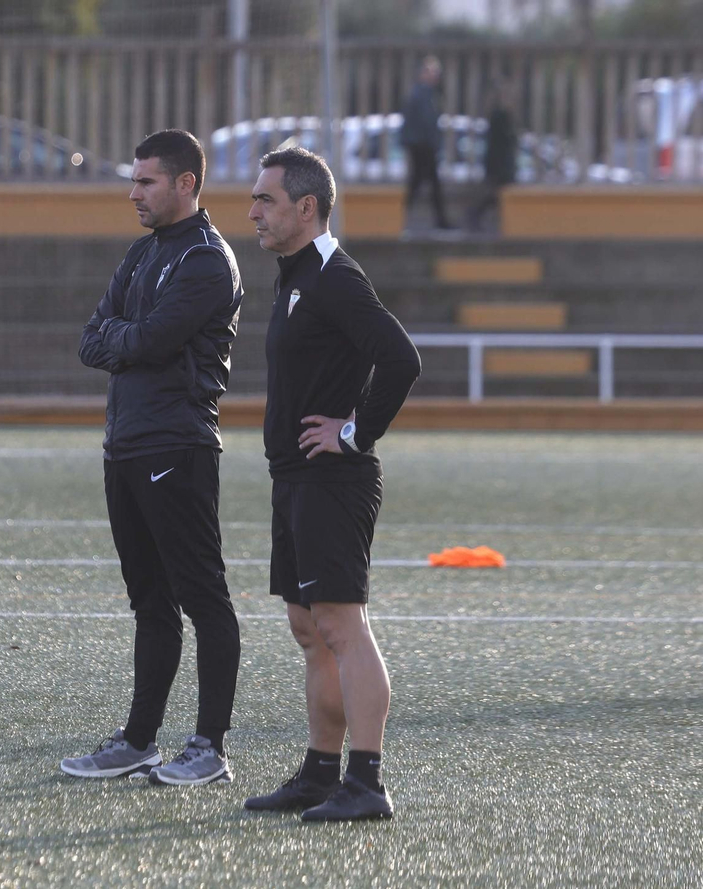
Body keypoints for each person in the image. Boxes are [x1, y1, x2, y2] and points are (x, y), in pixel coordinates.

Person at [243, 147, 421, 821]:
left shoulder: (333, 277)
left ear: (306, 207)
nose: (253, 210)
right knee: (308, 627)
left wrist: (352, 433)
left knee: (343, 626)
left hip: (332, 480)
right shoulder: (293, 279)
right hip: (293, 479)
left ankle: (366, 781)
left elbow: (401, 358)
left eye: (266, 199)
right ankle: (320, 773)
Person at [63, 129, 244, 787]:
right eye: (133, 180)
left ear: (185, 183)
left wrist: (127, 339)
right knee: (149, 600)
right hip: (126, 446)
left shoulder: (205, 258)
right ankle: (139, 740)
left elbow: (158, 338)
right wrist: (128, 340)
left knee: (203, 595)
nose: (133, 192)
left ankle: (210, 746)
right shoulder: (143, 255)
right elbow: (94, 340)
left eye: (146, 181)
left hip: (178, 445)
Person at [401, 56, 453, 231]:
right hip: (422, 145)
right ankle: (440, 221)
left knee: (421, 181)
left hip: (422, 144)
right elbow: (426, 121)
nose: (436, 76)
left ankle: (439, 219)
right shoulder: (422, 94)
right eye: (432, 72)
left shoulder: (425, 93)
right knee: (425, 181)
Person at [467, 79, 519, 234]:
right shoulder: (500, 116)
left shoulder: (499, 115)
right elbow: (504, 141)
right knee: (496, 195)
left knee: (496, 195)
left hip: (499, 163)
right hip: (500, 163)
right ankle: (475, 216)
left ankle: (477, 216)